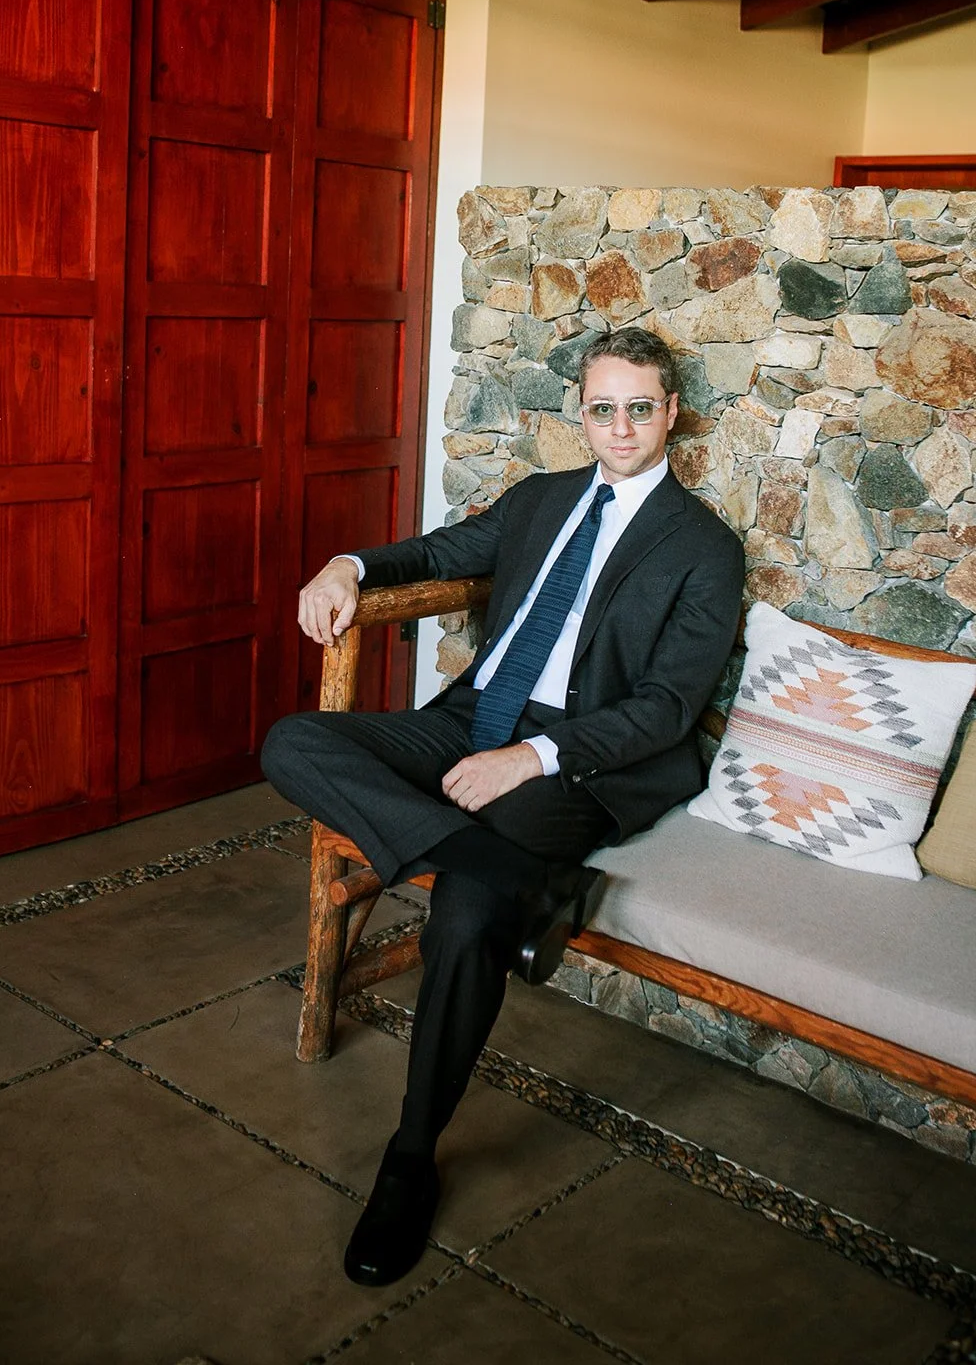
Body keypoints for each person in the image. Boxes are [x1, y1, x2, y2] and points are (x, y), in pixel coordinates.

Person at [261, 325, 744, 1287]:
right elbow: (435, 550)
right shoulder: (541, 500)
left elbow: (664, 708)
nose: (618, 428)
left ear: (670, 414)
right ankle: (516, 872)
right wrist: (347, 566)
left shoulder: (703, 546)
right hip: (471, 719)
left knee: (465, 912)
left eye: (637, 409)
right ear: (581, 415)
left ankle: (409, 1156)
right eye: (601, 410)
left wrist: (529, 758)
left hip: (580, 760)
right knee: (294, 741)